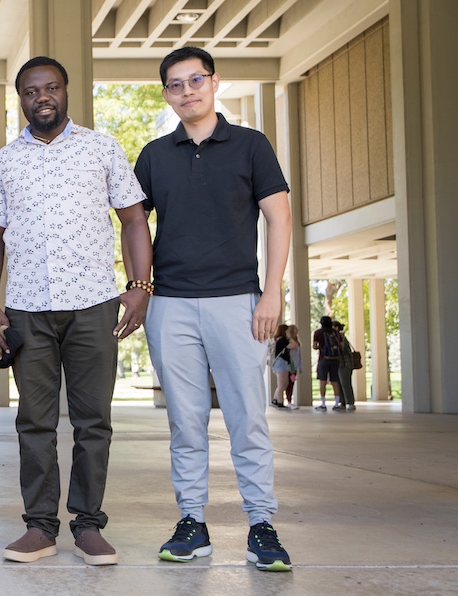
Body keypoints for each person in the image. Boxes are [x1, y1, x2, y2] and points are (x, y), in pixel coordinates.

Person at [0, 56, 153, 566]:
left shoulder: (102, 149)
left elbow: (134, 220)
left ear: (65, 90)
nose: (42, 97)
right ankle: (39, 527)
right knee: (33, 422)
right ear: (22, 100)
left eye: (50, 87)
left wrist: (140, 286)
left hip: (94, 306)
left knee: (93, 420)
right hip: (28, 310)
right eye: (31, 91)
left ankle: (88, 525)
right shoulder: (6, 161)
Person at [134, 46, 294, 571]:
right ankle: (192, 522)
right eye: (176, 85)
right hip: (171, 305)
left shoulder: (250, 145)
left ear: (215, 82)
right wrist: (139, 287)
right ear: (166, 94)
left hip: (239, 302)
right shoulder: (154, 155)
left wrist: (272, 292)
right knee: (186, 421)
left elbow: (279, 219)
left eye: (195, 80)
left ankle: (261, 524)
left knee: (248, 419)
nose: (187, 91)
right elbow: (134, 225)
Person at [313, 316, 343, 411]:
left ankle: (323, 404)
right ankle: (337, 404)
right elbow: (341, 345)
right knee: (335, 381)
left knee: (323, 381)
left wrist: (321, 348)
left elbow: (314, 346)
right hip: (335, 359)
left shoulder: (318, 332)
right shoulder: (336, 333)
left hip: (324, 359)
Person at [271, 324, 298, 409]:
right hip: (281, 363)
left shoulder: (279, 339)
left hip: (281, 363)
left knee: (284, 383)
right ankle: (279, 402)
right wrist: (290, 337)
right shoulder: (282, 340)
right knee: (282, 384)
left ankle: (275, 400)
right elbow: (295, 345)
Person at [335, 322, 357, 411]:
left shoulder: (340, 337)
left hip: (345, 363)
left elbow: (341, 349)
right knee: (340, 383)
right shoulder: (338, 336)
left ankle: (350, 403)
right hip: (341, 363)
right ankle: (342, 402)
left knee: (345, 383)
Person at [285, 325, 301, 405]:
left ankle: (290, 399)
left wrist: (300, 366)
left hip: (295, 366)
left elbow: (299, 355)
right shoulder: (288, 341)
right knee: (288, 383)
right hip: (290, 366)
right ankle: (288, 400)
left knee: (292, 382)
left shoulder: (297, 340)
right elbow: (294, 346)